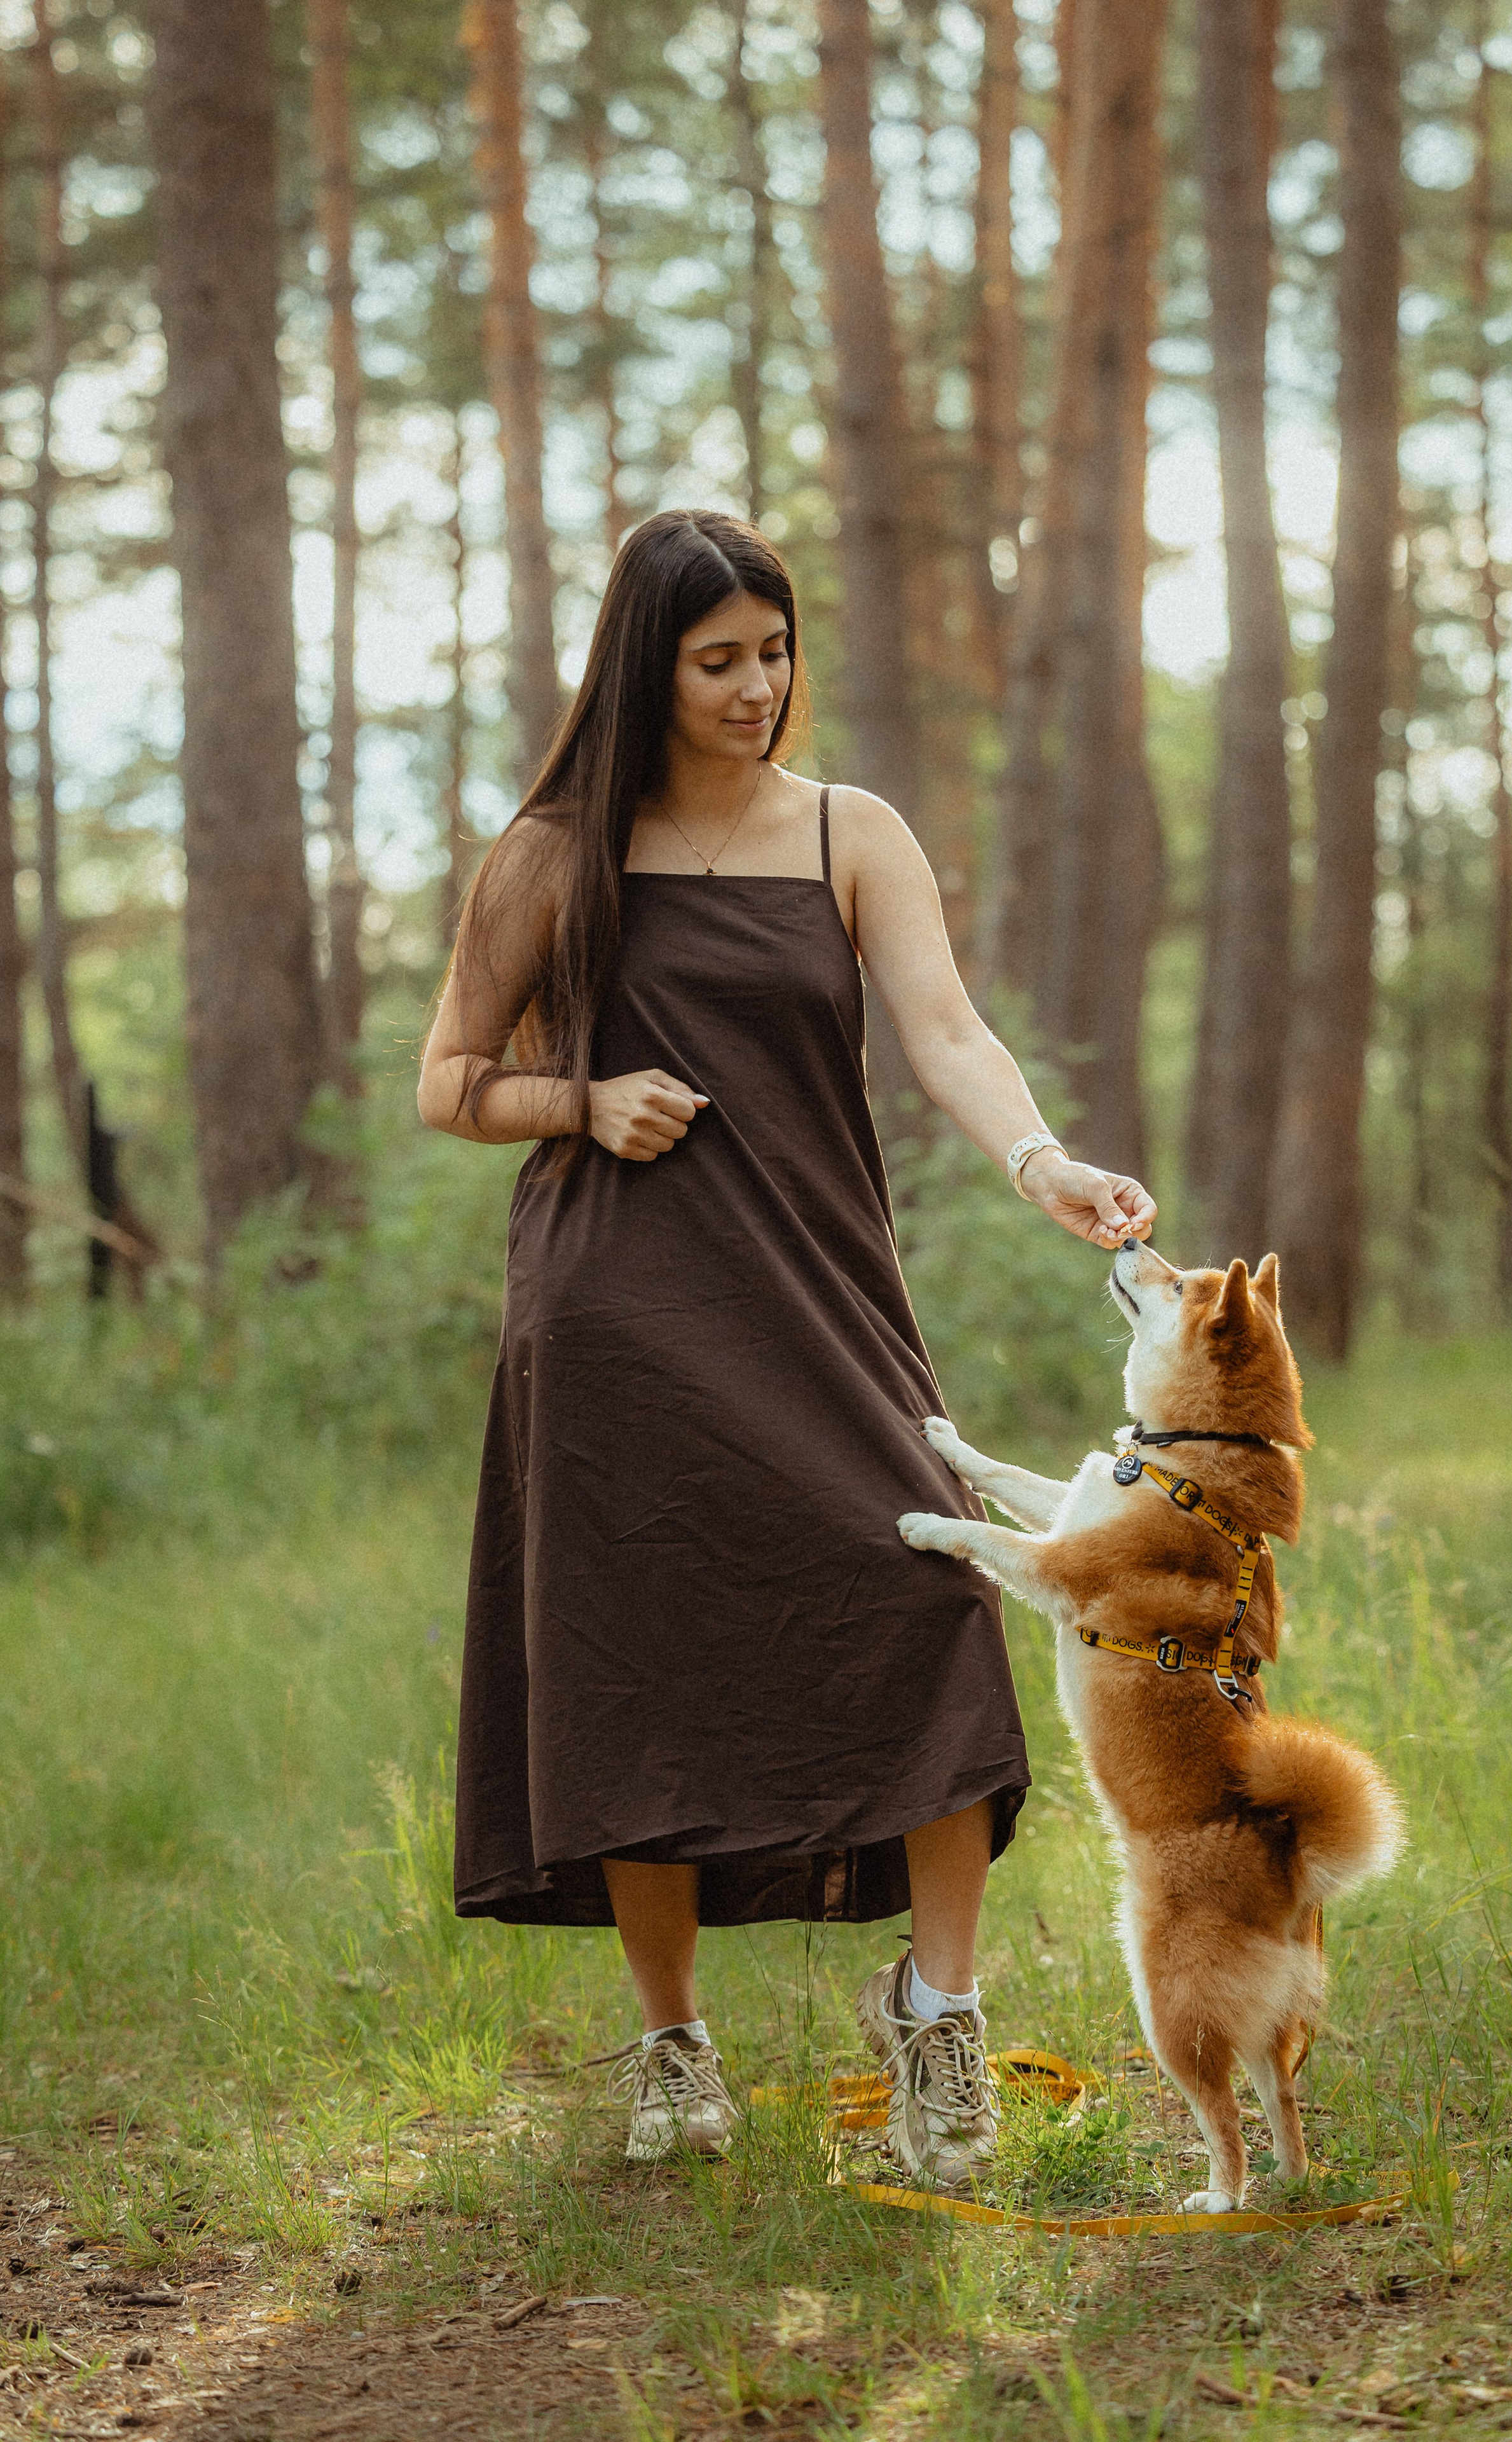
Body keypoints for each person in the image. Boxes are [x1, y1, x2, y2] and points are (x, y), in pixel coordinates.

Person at [418, 509, 1155, 2189]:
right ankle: (674, 2048)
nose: (759, 689)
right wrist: (580, 1100)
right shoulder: (551, 855)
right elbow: (447, 1077)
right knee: (633, 1661)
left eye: (776, 650)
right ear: (646, 668)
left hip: (818, 1291)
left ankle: (940, 2017)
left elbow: (949, 1030)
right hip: (612, 1313)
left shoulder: (847, 830)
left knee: (928, 1595)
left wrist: (1046, 1163)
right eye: (718, 660)